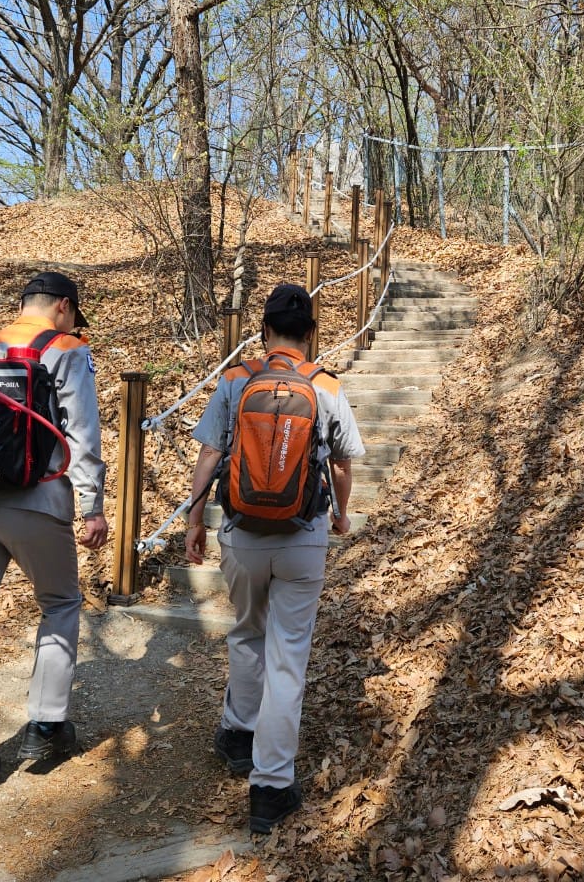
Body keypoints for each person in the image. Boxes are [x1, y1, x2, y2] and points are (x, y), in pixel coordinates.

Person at [184, 282, 364, 834]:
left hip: (241, 533)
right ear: (311, 334)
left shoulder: (238, 380)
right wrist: (339, 514)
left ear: (263, 332)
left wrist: (194, 519)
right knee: (288, 656)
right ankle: (270, 787)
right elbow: (341, 464)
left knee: (246, 633)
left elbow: (212, 452)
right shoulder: (325, 385)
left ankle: (238, 735)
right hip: (301, 537)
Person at [0, 270, 109, 809]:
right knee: (60, 603)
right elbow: (82, 431)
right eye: (73, 314)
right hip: (37, 501)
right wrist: (92, 505)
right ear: (63, 307)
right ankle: (46, 724)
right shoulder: (66, 350)